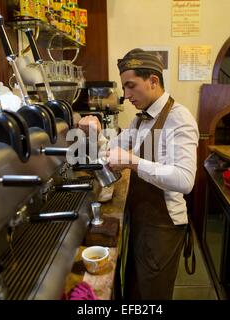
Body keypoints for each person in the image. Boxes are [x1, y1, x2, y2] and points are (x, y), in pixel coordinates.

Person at [78, 48, 199, 300]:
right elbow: (111, 150)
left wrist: (134, 162)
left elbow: (185, 180)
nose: (126, 95)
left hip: (163, 227)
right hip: (143, 220)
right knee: (137, 291)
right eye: (124, 87)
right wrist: (94, 133)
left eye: (131, 86)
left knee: (151, 294)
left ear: (153, 81)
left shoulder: (180, 119)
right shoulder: (140, 120)